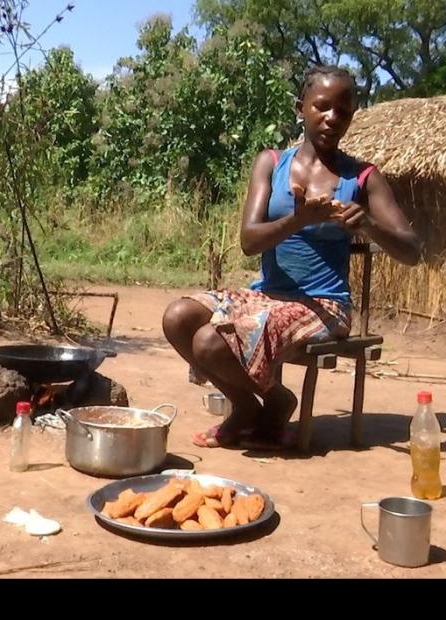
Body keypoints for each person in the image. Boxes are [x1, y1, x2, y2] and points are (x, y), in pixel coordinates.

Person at [162, 64, 422, 449]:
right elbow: (249, 241)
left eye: (343, 111)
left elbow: (412, 250)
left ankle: (268, 406)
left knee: (209, 342)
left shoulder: (362, 176)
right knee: (178, 316)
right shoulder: (271, 163)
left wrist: (368, 224)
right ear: (301, 108)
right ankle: (255, 405)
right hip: (268, 295)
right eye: (322, 106)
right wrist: (298, 220)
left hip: (324, 305)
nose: (332, 118)